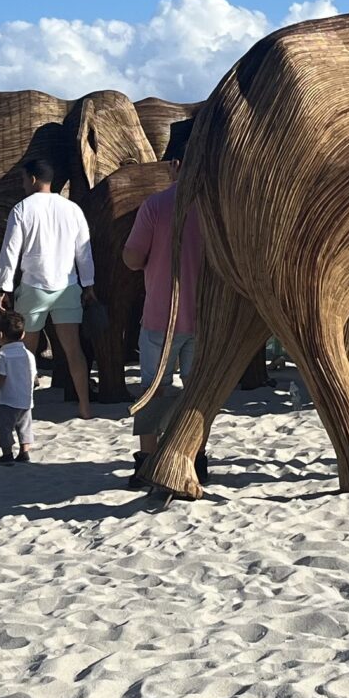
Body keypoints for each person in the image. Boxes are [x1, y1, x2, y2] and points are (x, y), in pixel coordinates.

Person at [122, 124, 206, 485]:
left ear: (174, 164)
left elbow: (132, 257)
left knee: (153, 390)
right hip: (203, 319)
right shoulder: (214, 208)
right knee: (197, 392)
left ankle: (148, 458)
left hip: (160, 315)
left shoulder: (155, 206)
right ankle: (196, 457)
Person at [0, 155, 97, 419]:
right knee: (73, 350)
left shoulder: (22, 209)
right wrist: (89, 284)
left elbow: (10, 252)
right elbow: (83, 251)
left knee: (26, 351)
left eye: (22, 179)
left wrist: (3, 285)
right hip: (68, 285)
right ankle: (84, 406)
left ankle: (26, 404)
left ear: (31, 179)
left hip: (34, 286)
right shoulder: (72, 209)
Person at [0, 313, 36, 464]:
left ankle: (7, 453)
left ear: (0, 334)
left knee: (4, 427)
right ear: (23, 334)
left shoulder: (2, 354)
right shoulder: (29, 355)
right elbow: (34, 376)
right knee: (24, 426)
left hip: (7, 400)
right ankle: (25, 452)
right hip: (25, 399)